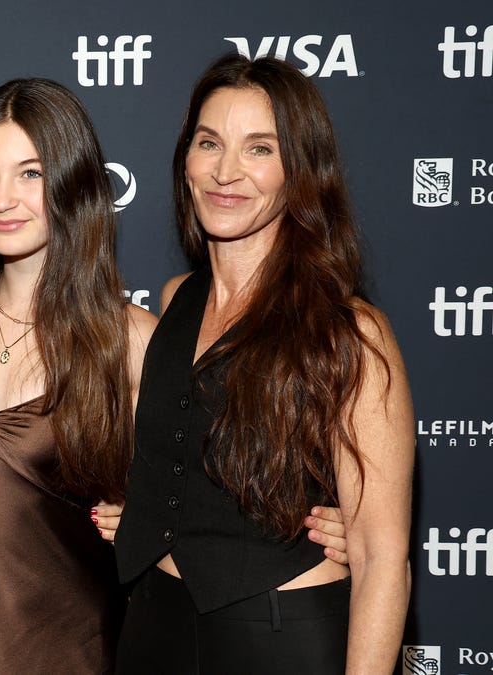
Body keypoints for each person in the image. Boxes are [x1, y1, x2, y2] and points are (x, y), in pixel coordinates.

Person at [113, 53, 414, 674]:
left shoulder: (349, 332)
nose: (226, 171)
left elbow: (382, 559)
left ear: (299, 170)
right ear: (185, 161)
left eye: (259, 149)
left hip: (282, 636)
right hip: (153, 626)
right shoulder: (176, 300)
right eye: (209, 143)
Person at [0, 78, 156, 673]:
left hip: (69, 647)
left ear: (73, 182)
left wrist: (144, 521)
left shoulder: (129, 337)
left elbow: (192, 500)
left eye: (30, 174)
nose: (1, 199)